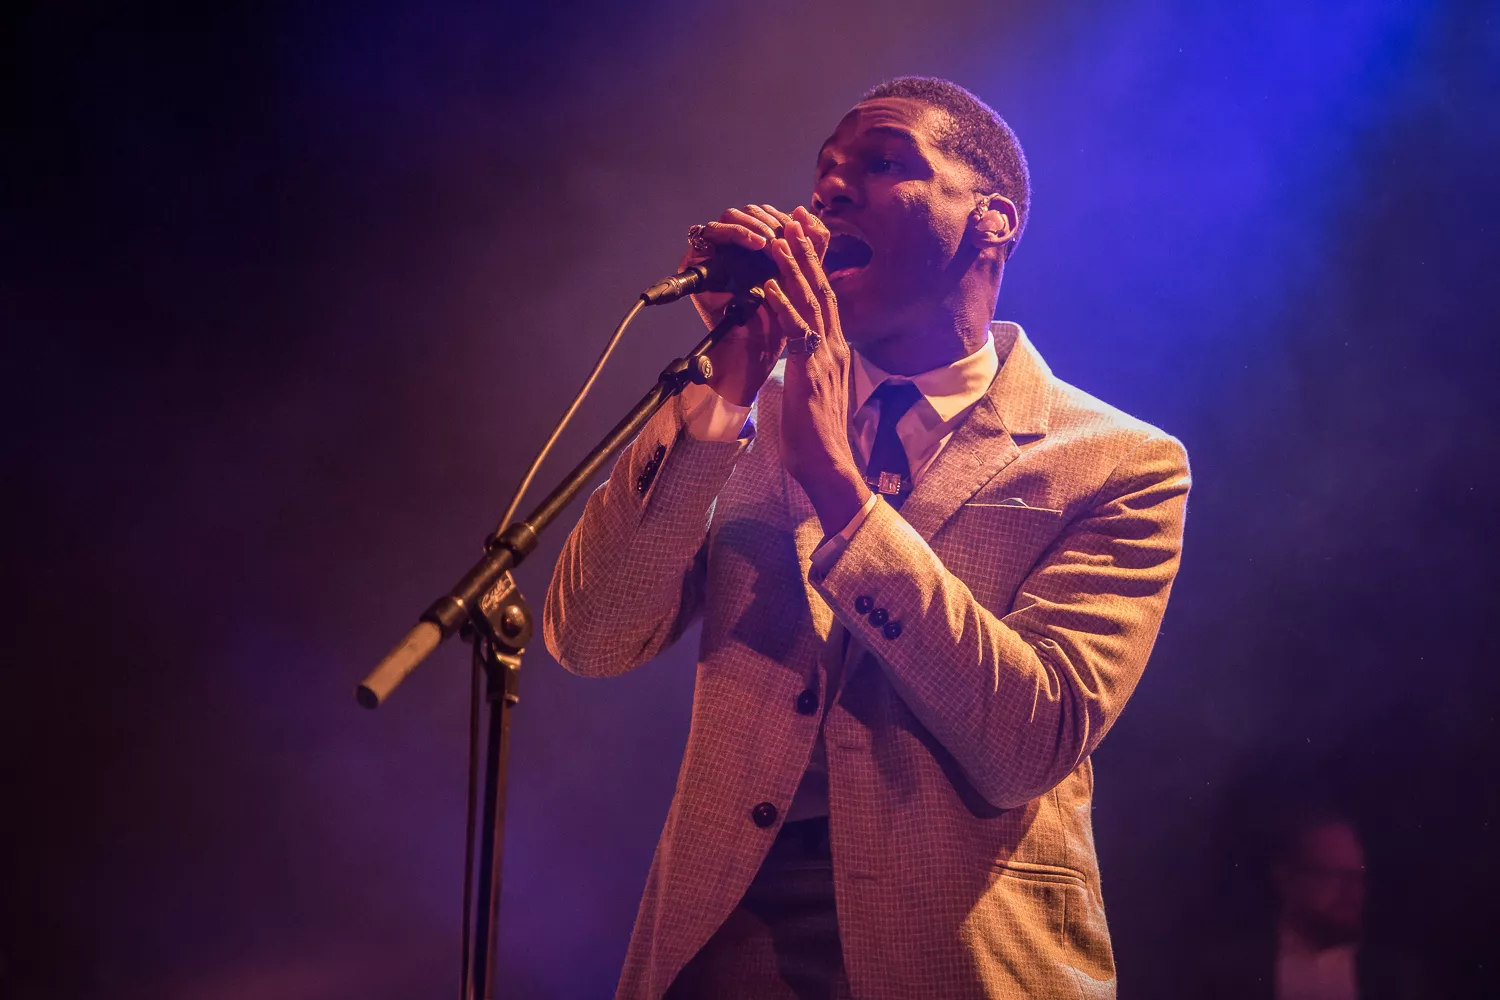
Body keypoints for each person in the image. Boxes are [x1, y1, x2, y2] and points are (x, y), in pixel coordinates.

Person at [544, 76, 1191, 999]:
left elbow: (1030, 743)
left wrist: (840, 494)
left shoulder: (1117, 461)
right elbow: (592, 636)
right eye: (825, 172)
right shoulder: (746, 416)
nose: (831, 191)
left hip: (960, 952)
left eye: (884, 164)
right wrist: (729, 384)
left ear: (992, 221)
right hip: (725, 941)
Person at [1188, 807, 1435, 1000]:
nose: (1353, 893)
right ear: (1286, 879)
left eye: (1358, 877)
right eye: (1334, 876)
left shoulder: (1399, 977)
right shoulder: (1229, 972)